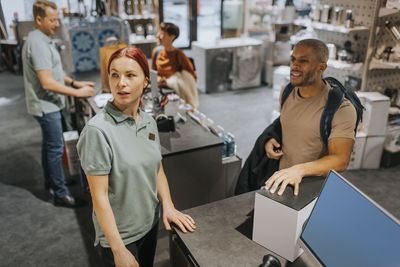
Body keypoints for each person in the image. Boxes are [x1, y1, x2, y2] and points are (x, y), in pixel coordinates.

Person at [77, 47, 196, 267]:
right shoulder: (97, 132)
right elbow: (99, 197)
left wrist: (168, 205)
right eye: (115, 75)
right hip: (120, 236)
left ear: (145, 82)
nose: (121, 82)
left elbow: (156, 167)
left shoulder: (149, 121)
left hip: (148, 225)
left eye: (130, 75)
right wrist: (118, 249)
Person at [235, 39, 357, 196]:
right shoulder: (287, 91)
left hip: (311, 190)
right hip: (281, 180)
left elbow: (341, 159)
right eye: (293, 59)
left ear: (321, 67)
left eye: (303, 61)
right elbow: (285, 124)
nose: (294, 65)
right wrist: (271, 139)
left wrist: (299, 170)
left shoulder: (341, 109)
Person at [22, 0, 95, 207]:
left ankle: (51, 181)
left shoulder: (42, 39)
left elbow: (54, 71)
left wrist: (74, 82)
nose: (56, 24)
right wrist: (77, 92)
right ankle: (60, 194)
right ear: (39, 19)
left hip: (47, 105)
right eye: (52, 20)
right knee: (54, 148)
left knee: (49, 146)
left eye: (57, 20)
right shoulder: (37, 43)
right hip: (46, 106)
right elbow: (47, 82)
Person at [151, 22, 199, 108]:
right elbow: (153, 73)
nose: (158, 36)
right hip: (159, 91)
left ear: (172, 37)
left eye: (162, 33)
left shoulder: (178, 54)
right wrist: (158, 80)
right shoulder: (156, 51)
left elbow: (192, 76)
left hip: (174, 94)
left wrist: (170, 82)